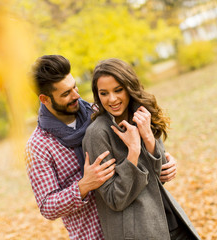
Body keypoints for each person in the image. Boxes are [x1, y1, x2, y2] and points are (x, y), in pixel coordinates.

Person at [25, 55, 178, 240]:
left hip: (134, 225)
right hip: (92, 234)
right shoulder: (39, 146)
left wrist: (163, 158)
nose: (76, 95)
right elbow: (47, 206)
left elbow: (134, 156)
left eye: (74, 87)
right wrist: (84, 185)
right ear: (45, 99)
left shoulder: (98, 112)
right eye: (66, 94)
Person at [83, 58, 201, 240]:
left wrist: (148, 137)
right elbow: (115, 198)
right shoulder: (97, 133)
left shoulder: (142, 116)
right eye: (104, 93)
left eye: (118, 90)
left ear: (129, 87)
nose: (112, 99)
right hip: (138, 233)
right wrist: (133, 152)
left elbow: (161, 175)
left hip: (171, 221)